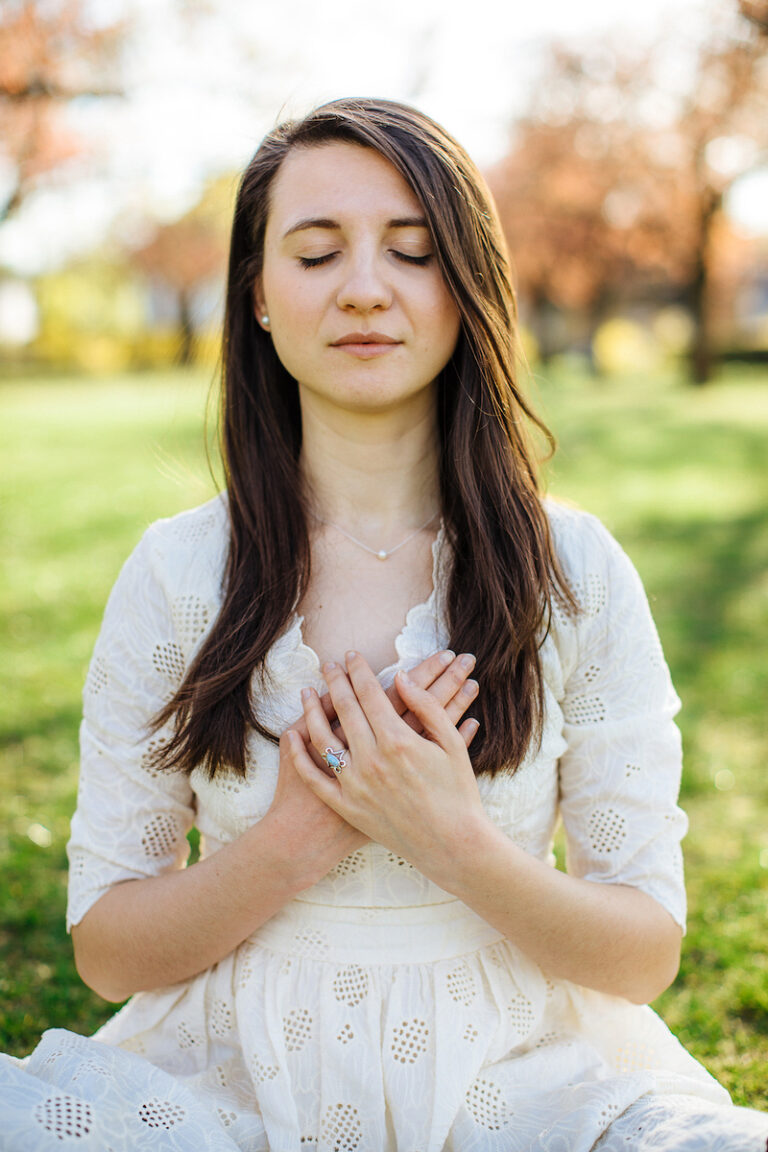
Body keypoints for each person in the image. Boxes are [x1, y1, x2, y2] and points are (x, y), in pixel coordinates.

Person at [0, 97, 765, 1152]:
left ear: (466, 286)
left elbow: (642, 953)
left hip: (524, 1077)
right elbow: (110, 950)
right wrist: (299, 837)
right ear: (259, 296)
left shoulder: (572, 571)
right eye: (316, 254)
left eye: (412, 252)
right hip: (231, 1083)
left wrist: (448, 838)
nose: (365, 290)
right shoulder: (178, 573)